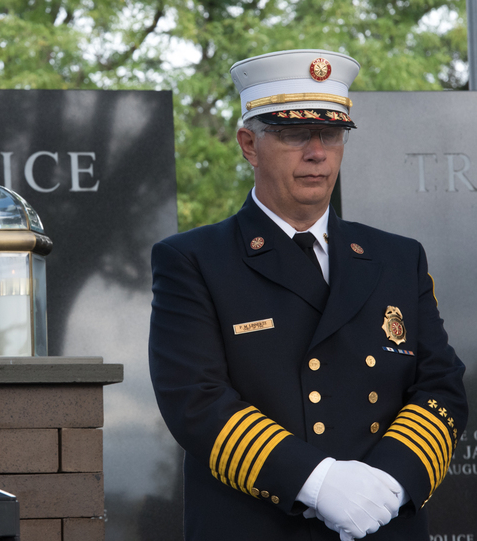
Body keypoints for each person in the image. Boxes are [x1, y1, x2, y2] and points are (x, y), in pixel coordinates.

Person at [148, 49, 467, 541]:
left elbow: (441, 385)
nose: (317, 152)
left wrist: (388, 482)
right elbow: (197, 401)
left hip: (384, 522)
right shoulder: (194, 261)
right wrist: (319, 483)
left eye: (332, 135)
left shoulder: (399, 258)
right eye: (296, 134)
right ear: (249, 144)